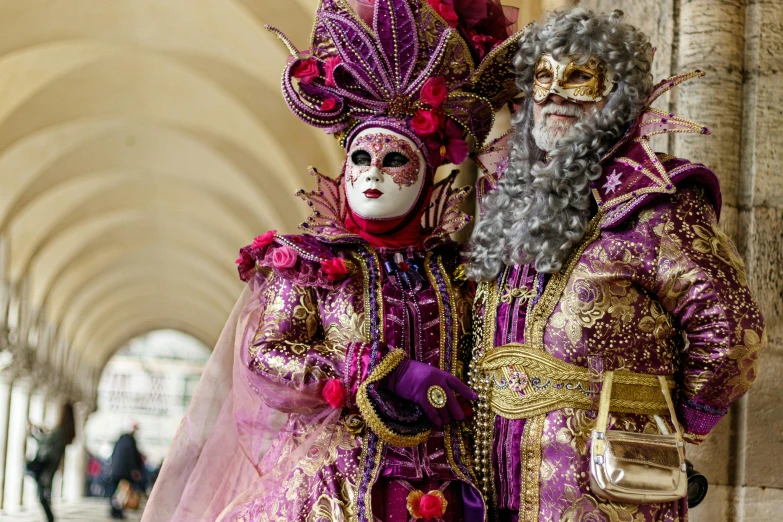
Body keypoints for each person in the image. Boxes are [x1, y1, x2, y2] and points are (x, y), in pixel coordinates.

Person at [143, 1, 523, 520]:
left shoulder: (456, 270)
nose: (373, 174)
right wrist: (372, 370)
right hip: (335, 495)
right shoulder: (306, 264)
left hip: (451, 492)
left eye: (395, 161)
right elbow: (264, 357)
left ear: (427, 170)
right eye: (361, 159)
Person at [467, 8, 766, 522]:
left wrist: (672, 425)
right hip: (492, 465)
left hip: (601, 481)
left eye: (580, 76)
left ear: (618, 95)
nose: (555, 94)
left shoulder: (658, 205)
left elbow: (733, 332)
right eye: (542, 77)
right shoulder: (506, 204)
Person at [26, 403, 76, 522]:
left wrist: (33, 432)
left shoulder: (60, 431)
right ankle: (50, 518)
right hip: (53, 463)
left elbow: (45, 442)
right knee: (44, 491)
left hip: (47, 463)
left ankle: (50, 518)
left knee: (42, 493)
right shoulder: (65, 431)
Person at [108, 421, 144, 519]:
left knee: (115, 491)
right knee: (124, 492)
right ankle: (118, 510)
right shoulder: (130, 440)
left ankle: (114, 510)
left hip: (115, 470)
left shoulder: (119, 439)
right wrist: (135, 469)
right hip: (124, 471)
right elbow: (132, 457)